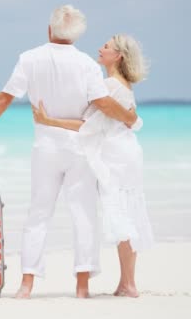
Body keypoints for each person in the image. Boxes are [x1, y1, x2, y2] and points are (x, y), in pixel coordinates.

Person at [0, 4, 139, 298]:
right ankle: (82, 287)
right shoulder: (86, 63)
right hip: (81, 149)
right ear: (76, 34)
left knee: (38, 214)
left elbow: (3, 98)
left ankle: (27, 284)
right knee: (83, 214)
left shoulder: (30, 58)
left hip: (45, 148)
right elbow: (102, 103)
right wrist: (130, 118)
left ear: (49, 29)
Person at [31, 34, 154, 298]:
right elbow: (125, 120)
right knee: (127, 214)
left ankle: (129, 284)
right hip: (126, 153)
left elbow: (88, 126)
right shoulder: (121, 84)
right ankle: (126, 283)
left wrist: (48, 120)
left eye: (106, 47)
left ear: (118, 56)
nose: (100, 48)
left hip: (118, 158)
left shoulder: (109, 85)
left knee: (122, 216)